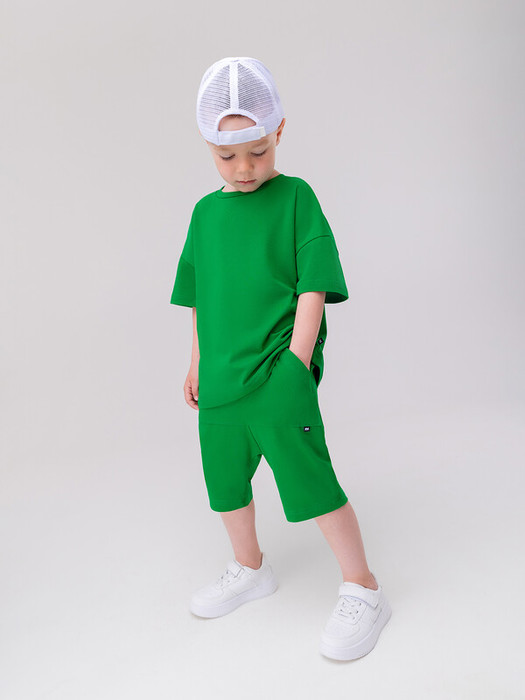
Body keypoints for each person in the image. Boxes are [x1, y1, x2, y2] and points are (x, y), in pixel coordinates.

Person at [169, 56, 391, 661]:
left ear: (279, 132)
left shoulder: (295, 198)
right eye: (227, 156)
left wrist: (296, 363)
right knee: (225, 484)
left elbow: (312, 282)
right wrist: (197, 362)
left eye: (258, 152)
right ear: (207, 146)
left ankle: (363, 587)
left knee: (310, 480)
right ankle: (250, 568)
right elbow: (200, 294)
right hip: (220, 380)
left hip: (275, 374)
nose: (244, 168)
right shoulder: (205, 214)